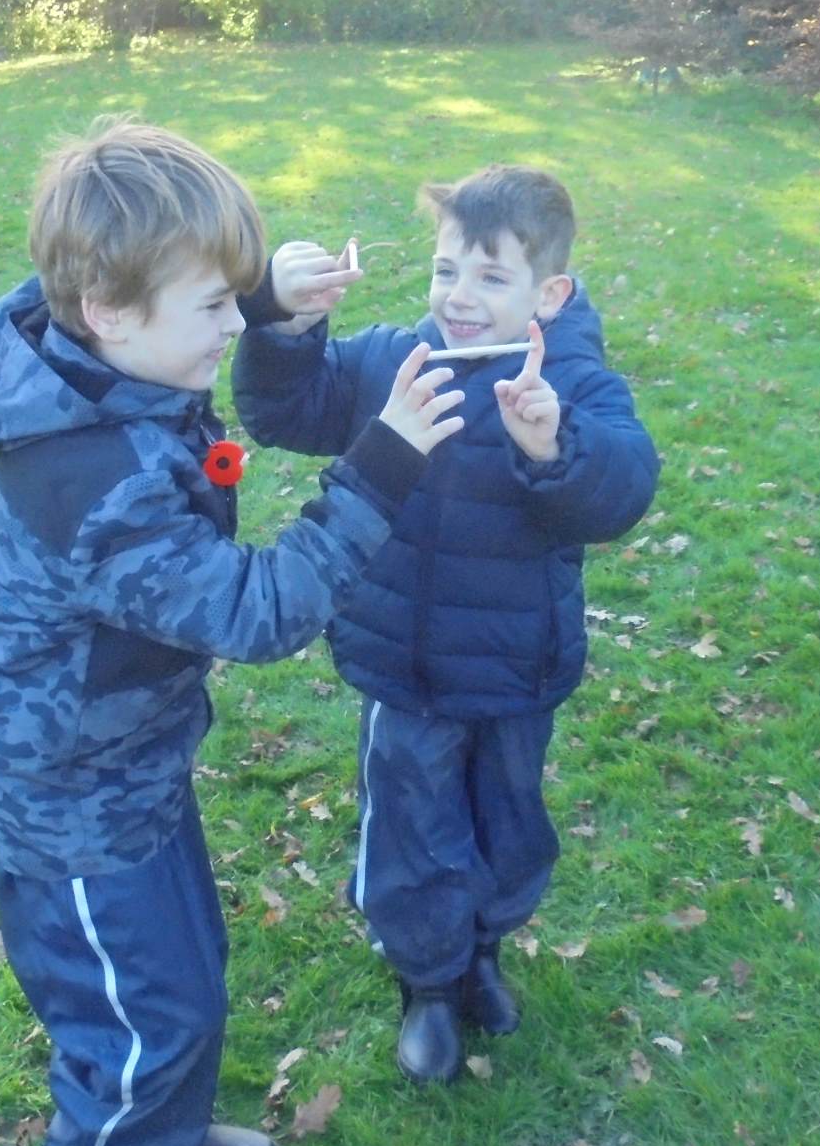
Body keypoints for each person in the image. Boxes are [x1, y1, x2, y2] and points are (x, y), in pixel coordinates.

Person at [0, 118, 465, 1146]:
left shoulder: (98, 354)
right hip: (68, 799)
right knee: (143, 1009)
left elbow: (163, 307)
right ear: (111, 311)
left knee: (186, 971)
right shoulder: (93, 481)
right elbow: (256, 610)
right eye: (215, 308)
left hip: (123, 755)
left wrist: (262, 301)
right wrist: (383, 462)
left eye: (234, 300)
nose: (233, 327)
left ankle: (163, 1136)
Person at [231, 164, 659, 1084]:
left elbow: (625, 487)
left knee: (509, 822)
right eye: (445, 270)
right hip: (408, 667)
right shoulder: (396, 363)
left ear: (550, 293)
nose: (459, 297)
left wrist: (557, 446)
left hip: (517, 668)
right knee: (412, 830)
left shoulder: (573, 383)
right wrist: (286, 327)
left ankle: (483, 953)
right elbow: (283, 410)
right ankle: (427, 983)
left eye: (491, 278)